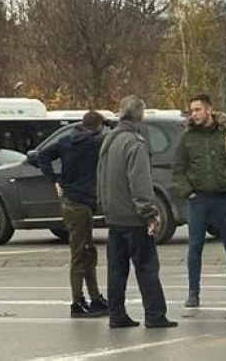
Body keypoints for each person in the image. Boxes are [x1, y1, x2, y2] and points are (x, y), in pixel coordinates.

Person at [97, 95, 177, 328]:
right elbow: (140, 183)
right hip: (134, 218)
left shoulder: (108, 141)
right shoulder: (136, 143)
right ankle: (155, 314)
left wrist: (104, 206)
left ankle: (117, 314)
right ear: (140, 115)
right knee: (147, 267)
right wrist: (149, 214)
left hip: (114, 217)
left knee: (116, 269)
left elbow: (101, 177)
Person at [174, 94, 226, 307]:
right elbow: (178, 170)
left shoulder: (225, 135)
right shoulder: (187, 139)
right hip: (199, 199)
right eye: (191, 111)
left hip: (224, 197)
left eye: (197, 110)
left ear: (209, 110)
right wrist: (188, 191)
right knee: (195, 246)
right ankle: (193, 293)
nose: (193, 114)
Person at [37, 111, 109, 318]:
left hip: (70, 199)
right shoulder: (95, 143)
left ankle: (94, 297)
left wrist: (55, 178)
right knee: (82, 253)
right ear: (98, 126)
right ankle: (77, 302)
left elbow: (41, 155)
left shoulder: (66, 140)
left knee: (85, 250)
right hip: (82, 202)